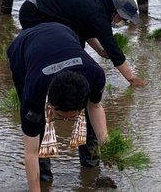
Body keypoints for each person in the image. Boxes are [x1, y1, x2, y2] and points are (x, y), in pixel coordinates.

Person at [7, 21, 109, 190]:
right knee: (37, 127)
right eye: (59, 116)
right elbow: (30, 153)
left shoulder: (95, 75)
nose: (65, 122)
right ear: (49, 103)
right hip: (23, 47)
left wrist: (107, 147)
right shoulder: (35, 91)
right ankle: (44, 178)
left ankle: (90, 163)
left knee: (89, 121)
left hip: (64, 32)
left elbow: (95, 107)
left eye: (72, 116)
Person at [18, 0, 146, 87]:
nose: (122, 22)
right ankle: (35, 79)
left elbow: (84, 30)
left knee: (75, 49)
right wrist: (132, 79)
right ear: (117, 13)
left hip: (39, 9)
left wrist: (100, 51)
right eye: (124, 19)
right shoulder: (99, 14)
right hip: (33, 13)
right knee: (49, 53)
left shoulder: (99, 5)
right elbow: (114, 51)